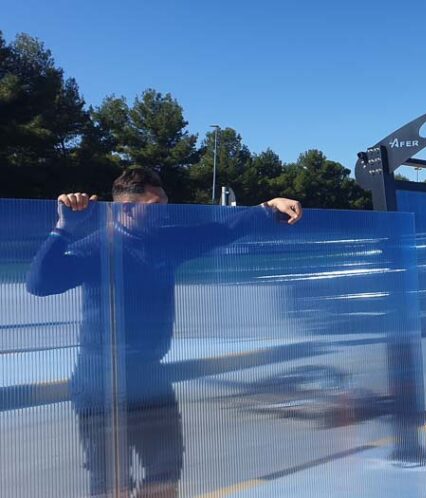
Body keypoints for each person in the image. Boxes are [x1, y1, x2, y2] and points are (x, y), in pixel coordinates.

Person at [26, 167, 301, 497]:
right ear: (127, 208)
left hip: (150, 375)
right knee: (110, 483)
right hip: (100, 380)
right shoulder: (97, 248)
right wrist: (64, 230)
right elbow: (40, 284)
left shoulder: (166, 242)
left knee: (165, 474)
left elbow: (220, 230)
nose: (165, 212)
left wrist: (269, 208)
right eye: (156, 206)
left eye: (166, 203)